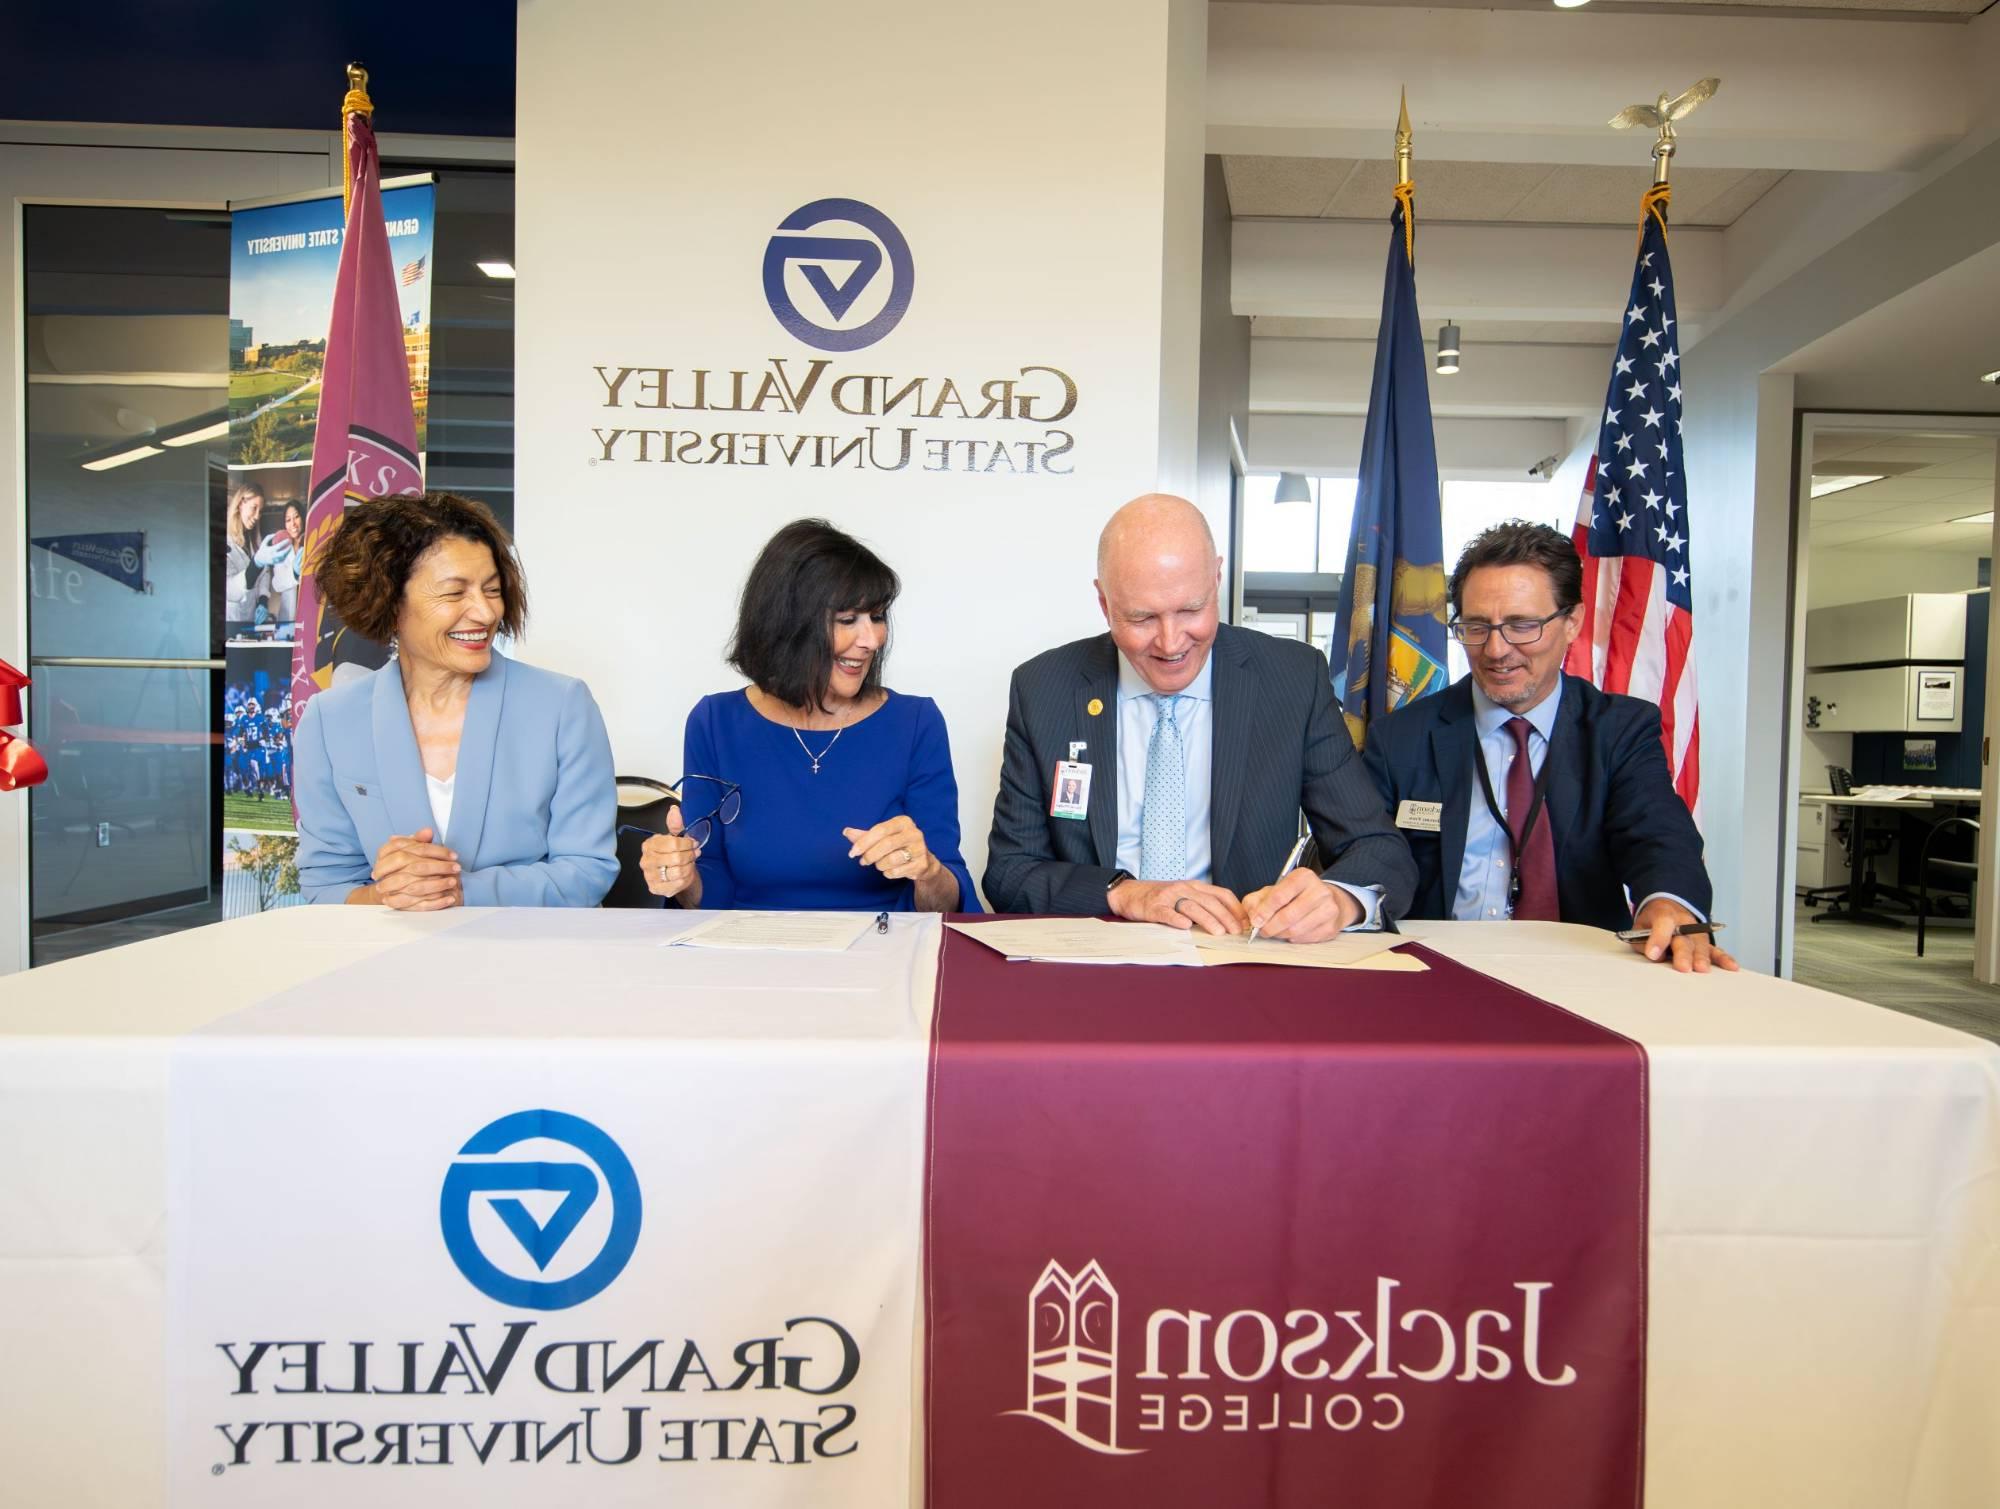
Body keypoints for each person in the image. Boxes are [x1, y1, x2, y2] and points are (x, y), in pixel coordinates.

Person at [984, 493, 1414, 941]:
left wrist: (1341, 899)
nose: (1170, 643)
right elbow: (1009, 875)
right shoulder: (1044, 689)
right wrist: (1124, 894)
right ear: (1104, 603)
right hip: (1099, 959)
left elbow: (1380, 850)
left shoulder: (1292, 680)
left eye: (1191, 610)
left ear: (1217, 579)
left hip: (1242, 959)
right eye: (1142, 617)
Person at [1362, 520, 1733, 972]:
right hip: (1435, 974)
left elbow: (1658, 832)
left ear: (1572, 621)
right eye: (1477, 626)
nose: (1496, 650)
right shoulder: (1400, 737)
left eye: (1522, 626)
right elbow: (1368, 852)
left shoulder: (1619, 729)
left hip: (1582, 976)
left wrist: (1668, 903)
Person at [293, 491, 618, 908]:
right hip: (386, 964)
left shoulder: (562, 705)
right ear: (388, 601)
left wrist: (456, 889)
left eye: (492, 589)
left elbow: (587, 871)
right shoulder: (329, 719)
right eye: (454, 593)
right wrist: (386, 894)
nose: (484, 613)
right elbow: (325, 885)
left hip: (526, 960)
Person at [641, 518, 978, 913]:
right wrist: (681, 876)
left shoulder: (916, 722)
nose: (871, 640)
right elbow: (710, 891)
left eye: (878, 616)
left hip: (881, 955)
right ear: (789, 623)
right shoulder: (715, 722)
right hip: (750, 956)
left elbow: (948, 901)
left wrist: (928, 870)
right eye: (848, 620)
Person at [223, 483, 271, 631]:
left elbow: (265, 572)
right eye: (254, 508)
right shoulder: (225, 539)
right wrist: (254, 565)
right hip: (232, 621)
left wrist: (263, 601)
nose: (257, 516)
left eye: (260, 511)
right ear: (241, 504)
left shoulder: (254, 539)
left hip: (251, 619)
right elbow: (229, 588)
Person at [254, 501, 306, 623]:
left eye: (296, 517)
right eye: (288, 520)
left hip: (309, 614)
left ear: (303, 518)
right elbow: (277, 584)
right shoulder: (283, 548)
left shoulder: (312, 542)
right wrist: (294, 573)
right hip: (288, 615)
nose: (293, 523)